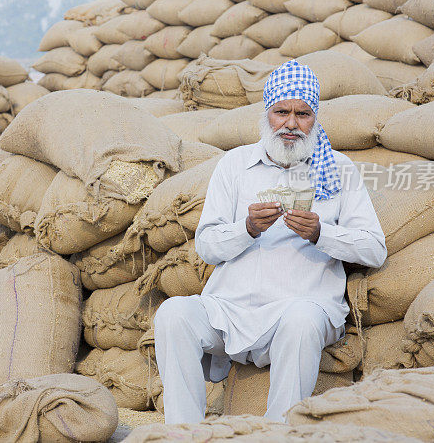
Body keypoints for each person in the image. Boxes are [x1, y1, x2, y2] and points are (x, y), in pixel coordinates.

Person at [153, 60, 386, 424]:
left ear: (314, 118)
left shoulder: (337, 168)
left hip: (301, 306)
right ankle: (184, 432)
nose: (291, 124)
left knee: (301, 319)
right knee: (173, 314)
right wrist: (246, 228)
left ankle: (280, 432)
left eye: (302, 114)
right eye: (281, 112)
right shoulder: (234, 165)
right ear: (267, 114)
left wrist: (321, 233)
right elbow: (207, 245)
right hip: (230, 310)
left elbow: (374, 248)